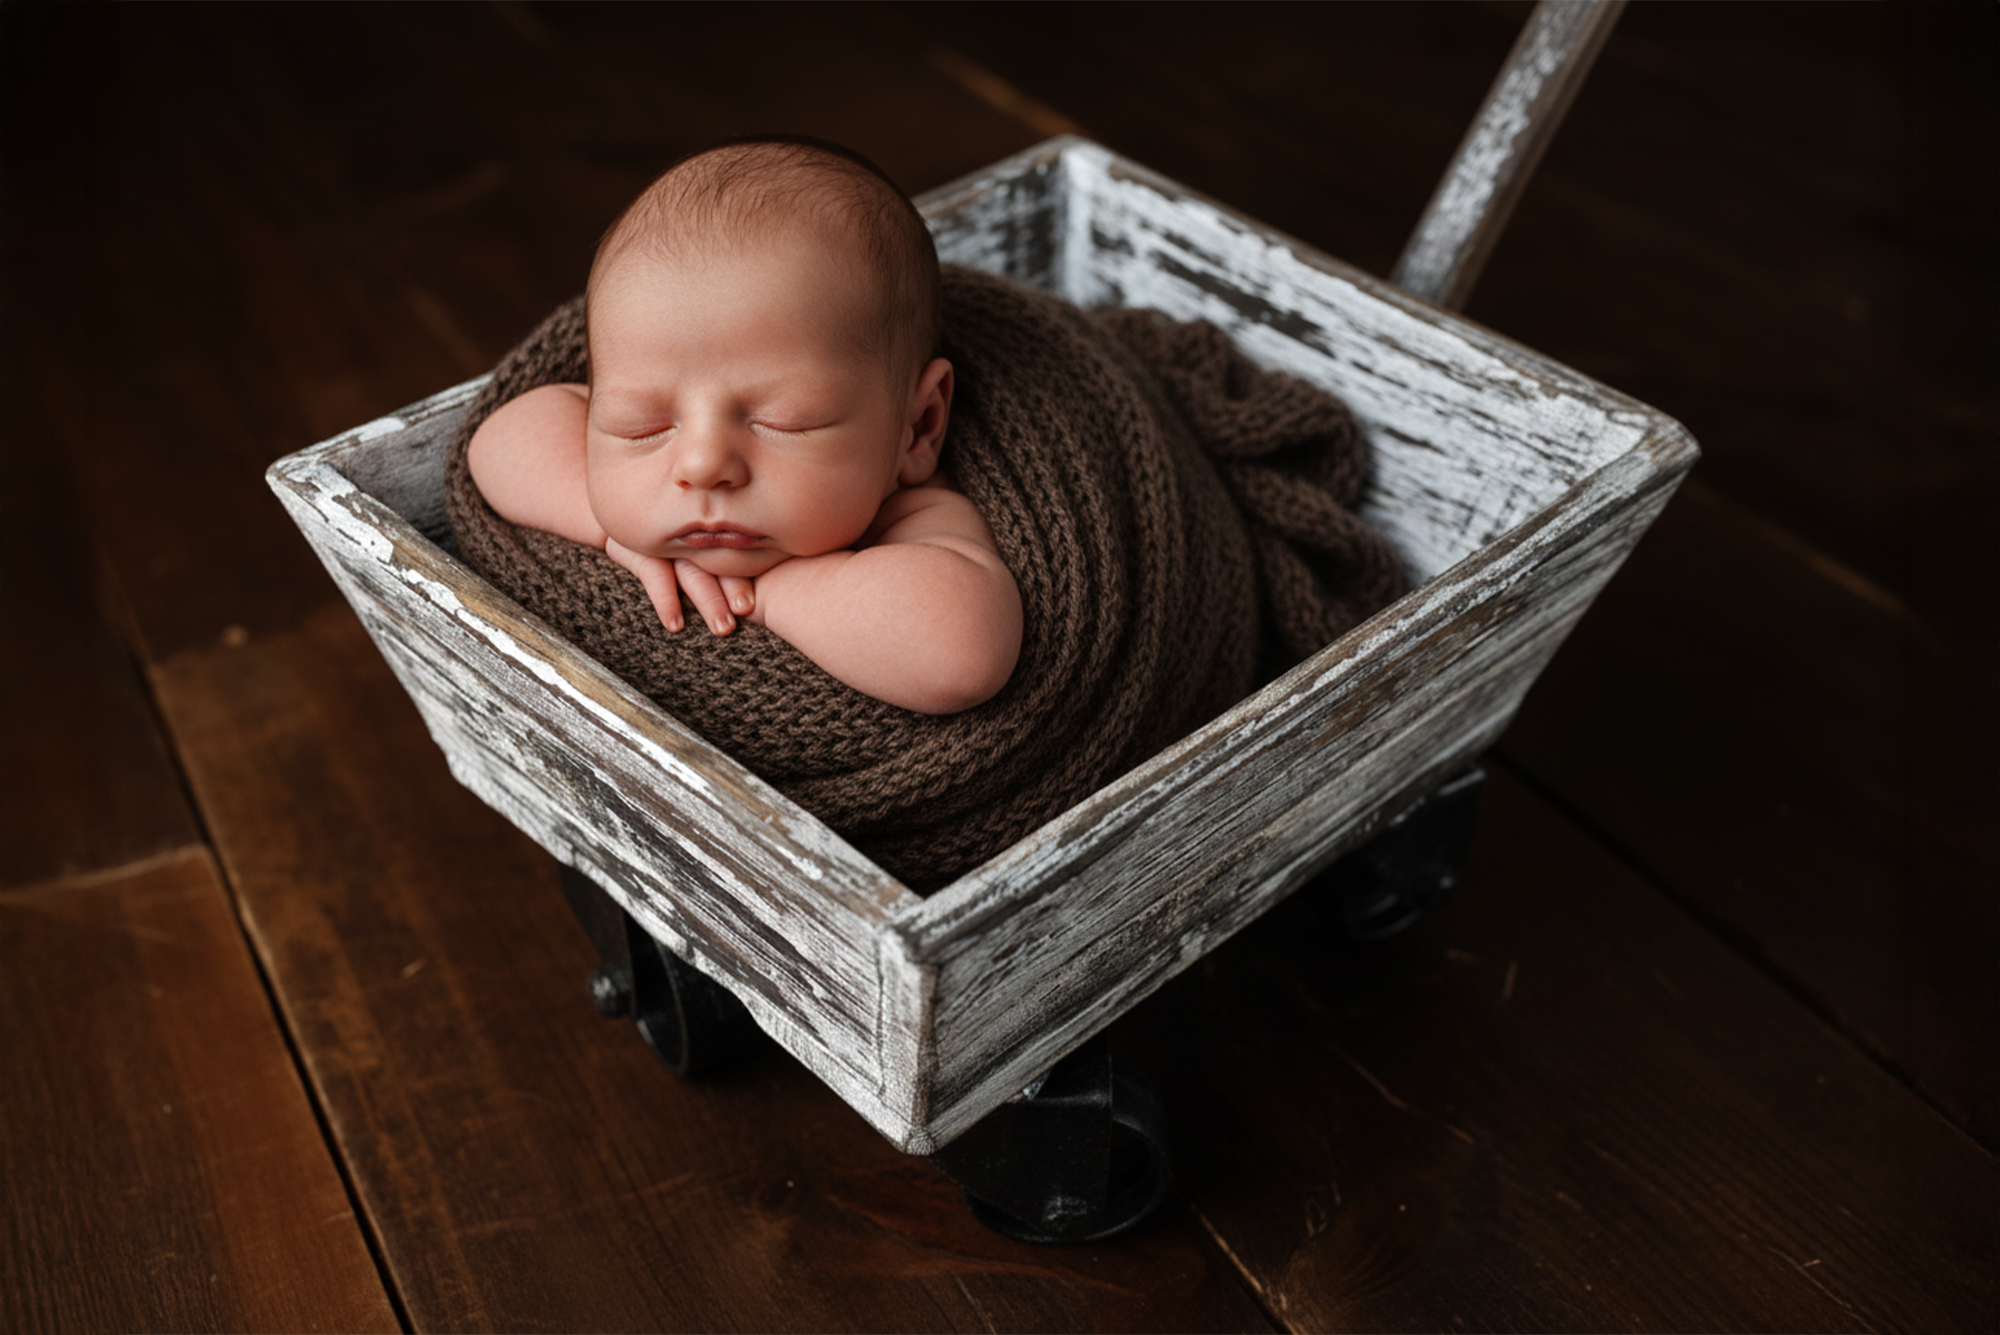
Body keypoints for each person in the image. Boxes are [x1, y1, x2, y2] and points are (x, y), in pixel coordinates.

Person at [467, 138, 1022, 715]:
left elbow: (962, 656)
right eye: (642, 427)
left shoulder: (913, 516)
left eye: (783, 421)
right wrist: (614, 534)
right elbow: (498, 442)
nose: (702, 463)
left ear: (917, 428)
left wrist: (770, 596)